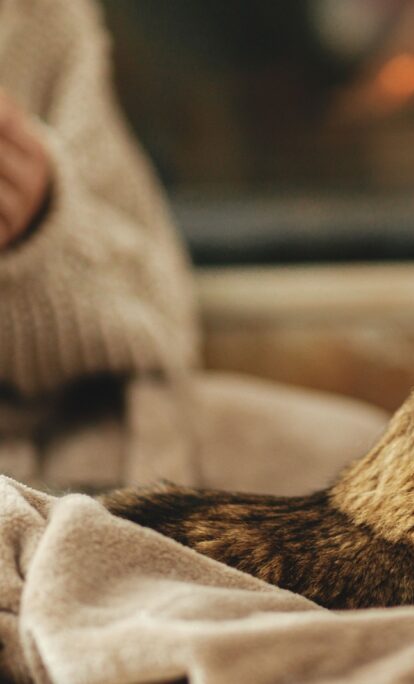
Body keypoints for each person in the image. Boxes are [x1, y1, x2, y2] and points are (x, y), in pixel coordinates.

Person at [0, 0, 387, 495]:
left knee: (365, 462)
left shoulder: (40, 18)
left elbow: (163, 315)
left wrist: (39, 221)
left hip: (75, 426)